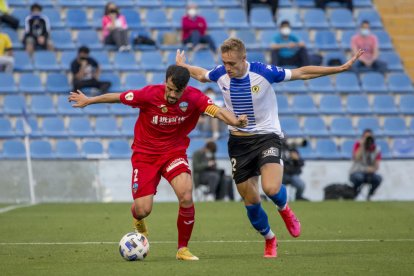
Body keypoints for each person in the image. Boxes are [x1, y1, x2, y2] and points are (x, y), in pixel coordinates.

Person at [176, 37, 364, 258]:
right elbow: (200, 74)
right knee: (251, 202)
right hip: (238, 143)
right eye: (225, 63)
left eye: (232, 64)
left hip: (267, 136)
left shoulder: (263, 72)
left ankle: (284, 209)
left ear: (244, 59)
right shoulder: (221, 73)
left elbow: (302, 72)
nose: (228, 68)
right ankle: (270, 238)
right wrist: (183, 66)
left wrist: (339, 68)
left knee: (272, 188)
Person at [68, 65, 248, 261]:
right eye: (169, 88)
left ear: (185, 87)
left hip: (174, 153)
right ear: (165, 81)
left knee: (186, 195)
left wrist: (235, 121)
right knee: (143, 209)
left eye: (176, 91)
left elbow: (218, 111)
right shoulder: (148, 94)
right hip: (145, 156)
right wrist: (89, 100)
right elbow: (117, 97)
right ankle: (138, 219)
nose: (171, 94)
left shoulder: (195, 98)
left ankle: (182, 249)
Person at [349, 129, 382, 201]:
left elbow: (377, 166)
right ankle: (354, 193)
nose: (368, 140)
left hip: (369, 174)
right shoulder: (358, 145)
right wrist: (362, 145)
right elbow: (356, 158)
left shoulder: (376, 149)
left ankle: (369, 195)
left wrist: (372, 169)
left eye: (370, 137)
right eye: (366, 137)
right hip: (356, 172)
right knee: (359, 178)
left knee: (378, 178)